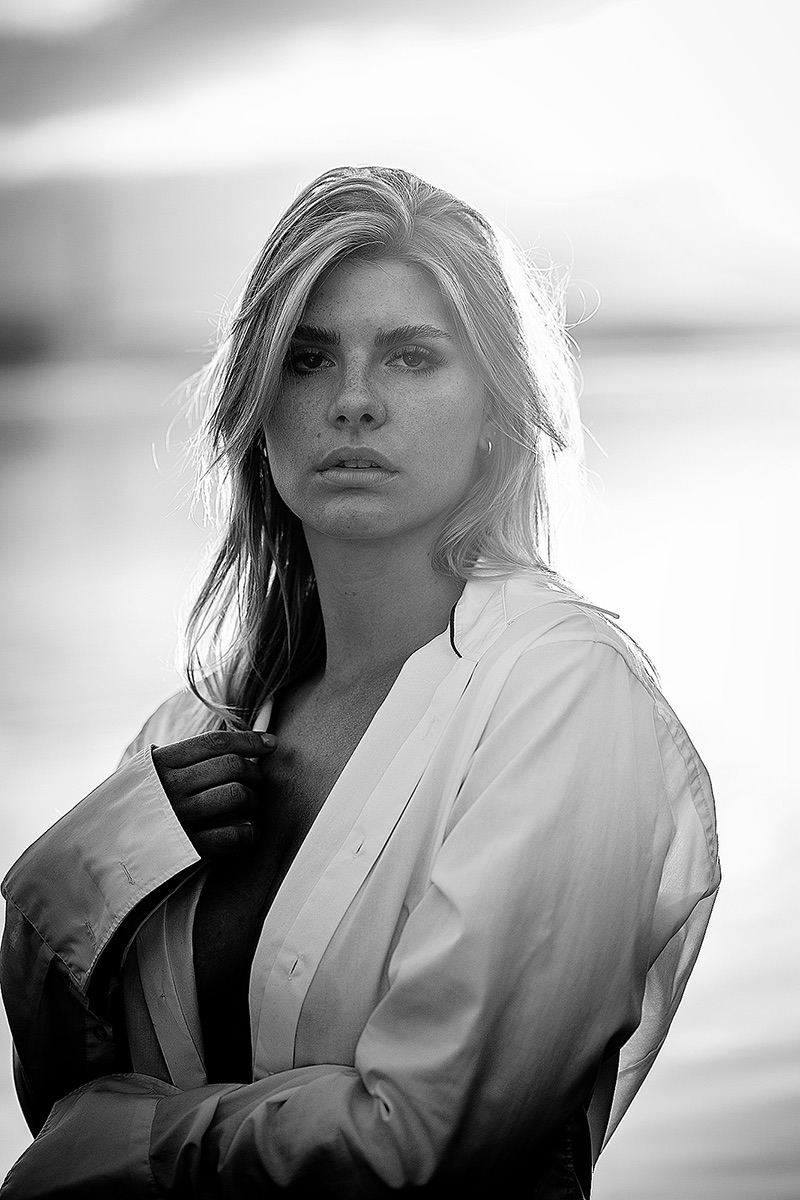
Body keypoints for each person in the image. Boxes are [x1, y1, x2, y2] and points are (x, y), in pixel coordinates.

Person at [0, 166, 720, 1198]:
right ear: (258, 406)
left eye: (411, 357)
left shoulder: (562, 695)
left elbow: (420, 1149)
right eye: (306, 358)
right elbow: (61, 1098)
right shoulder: (187, 728)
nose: (351, 402)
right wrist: (69, 882)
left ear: (495, 408)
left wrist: (136, 1144)